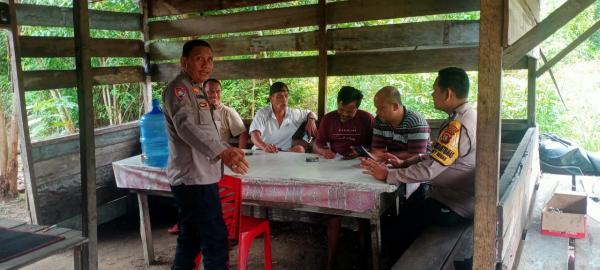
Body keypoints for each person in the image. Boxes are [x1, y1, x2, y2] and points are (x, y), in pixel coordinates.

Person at [361, 67, 475, 269]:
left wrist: (389, 174)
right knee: (402, 215)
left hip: (456, 203)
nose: (432, 94)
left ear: (447, 94)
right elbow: (434, 156)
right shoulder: (466, 116)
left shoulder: (458, 125)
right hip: (451, 196)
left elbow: (430, 169)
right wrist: (404, 163)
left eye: (434, 90)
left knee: (396, 228)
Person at [162, 39, 249, 270]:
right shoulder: (178, 89)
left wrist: (227, 150)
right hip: (193, 180)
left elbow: (206, 130)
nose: (206, 65)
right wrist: (222, 151)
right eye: (199, 59)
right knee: (215, 242)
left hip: (202, 178)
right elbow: (186, 127)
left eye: (210, 60)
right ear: (184, 62)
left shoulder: (196, 90)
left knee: (190, 240)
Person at [249, 82, 317, 153]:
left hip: (285, 154)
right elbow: (254, 136)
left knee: (299, 149)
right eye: (279, 97)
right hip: (262, 151)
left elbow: (311, 113)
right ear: (271, 98)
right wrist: (265, 146)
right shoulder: (263, 113)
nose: (284, 99)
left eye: (286, 96)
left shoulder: (294, 113)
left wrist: (311, 120)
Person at [370, 86, 430, 163]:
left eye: (381, 108)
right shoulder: (379, 120)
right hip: (391, 163)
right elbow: (377, 151)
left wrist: (385, 156)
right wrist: (379, 156)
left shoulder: (415, 121)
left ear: (395, 106)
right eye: (376, 108)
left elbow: (417, 155)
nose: (377, 112)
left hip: (419, 165)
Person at [313, 86, 375, 159]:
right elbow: (317, 144)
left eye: (349, 112)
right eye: (341, 109)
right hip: (335, 160)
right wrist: (323, 152)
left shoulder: (367, 119)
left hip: (360, 161)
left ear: (357, 108)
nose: (344, 114)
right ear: (337, 104)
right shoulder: (328, 118)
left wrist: (362, 152)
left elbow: (376, 147)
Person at [204, 78, 250, 149]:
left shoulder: (227, 112)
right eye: (210, 92)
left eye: (218, 92)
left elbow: (242, 133)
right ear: (203, 93)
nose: (215, 95)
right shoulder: (196, 110)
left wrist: (241, 151)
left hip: (220, 153)